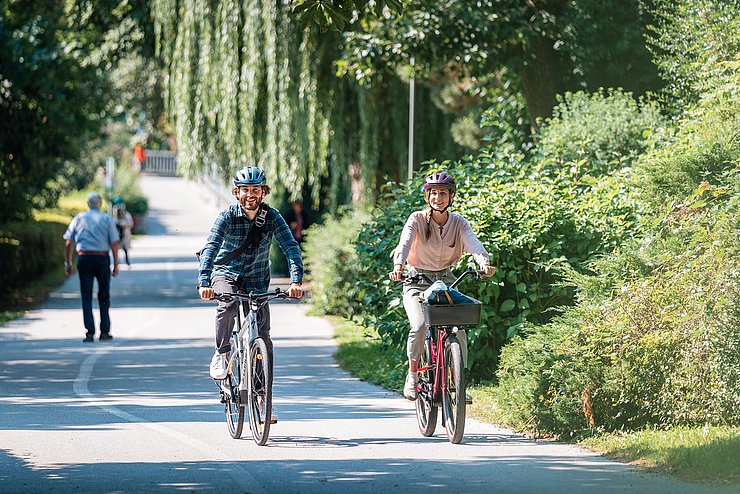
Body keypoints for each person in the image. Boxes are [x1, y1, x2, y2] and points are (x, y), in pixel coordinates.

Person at [388, 171, 496, 400]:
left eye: (443, 193)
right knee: (419, 326)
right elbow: (404, 243)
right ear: (427, 197)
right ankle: (413, 375)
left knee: (460, 327)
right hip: (417, 280)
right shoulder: (416, 219)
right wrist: (399, 266)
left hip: (446, 280)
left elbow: (474, 244)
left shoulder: (458, 222)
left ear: (451, 197)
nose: (438, 197)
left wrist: (484, 262)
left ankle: (458, 381)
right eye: (434, 193)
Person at [197, 166, 304, 391]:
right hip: (226, 274)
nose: (250, 194)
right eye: (245, 190)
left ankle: (261, 393)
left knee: (264, 339)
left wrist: (295, 281)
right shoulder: (227, 217)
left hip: (257, 279)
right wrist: (205, 282)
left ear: (263, 192)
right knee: (228, 303)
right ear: (237, 193)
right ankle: (222, 353)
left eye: (255, 189)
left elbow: (291, 247)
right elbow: (210, 249)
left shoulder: (272, 217)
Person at [64, 192, 120, 343]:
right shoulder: (107, 219)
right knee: (104, 295)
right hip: (102, 258)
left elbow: (69, 242)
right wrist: (115, 264)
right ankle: (104, 331)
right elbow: (114, 243)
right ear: (100, 204)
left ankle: (89, 333)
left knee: (86, 295)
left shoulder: (79, 218)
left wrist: (68, 262)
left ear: (88, 204)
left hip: (84, 258)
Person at [112, 198, 134, 267]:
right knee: (116, 248)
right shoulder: (113, 216)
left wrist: (122, 223)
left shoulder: (126, 215)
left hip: (124, 234)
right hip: (116, 234)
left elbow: (130, 223)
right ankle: (116, 261)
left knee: (125, 248)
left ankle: (127, 259)